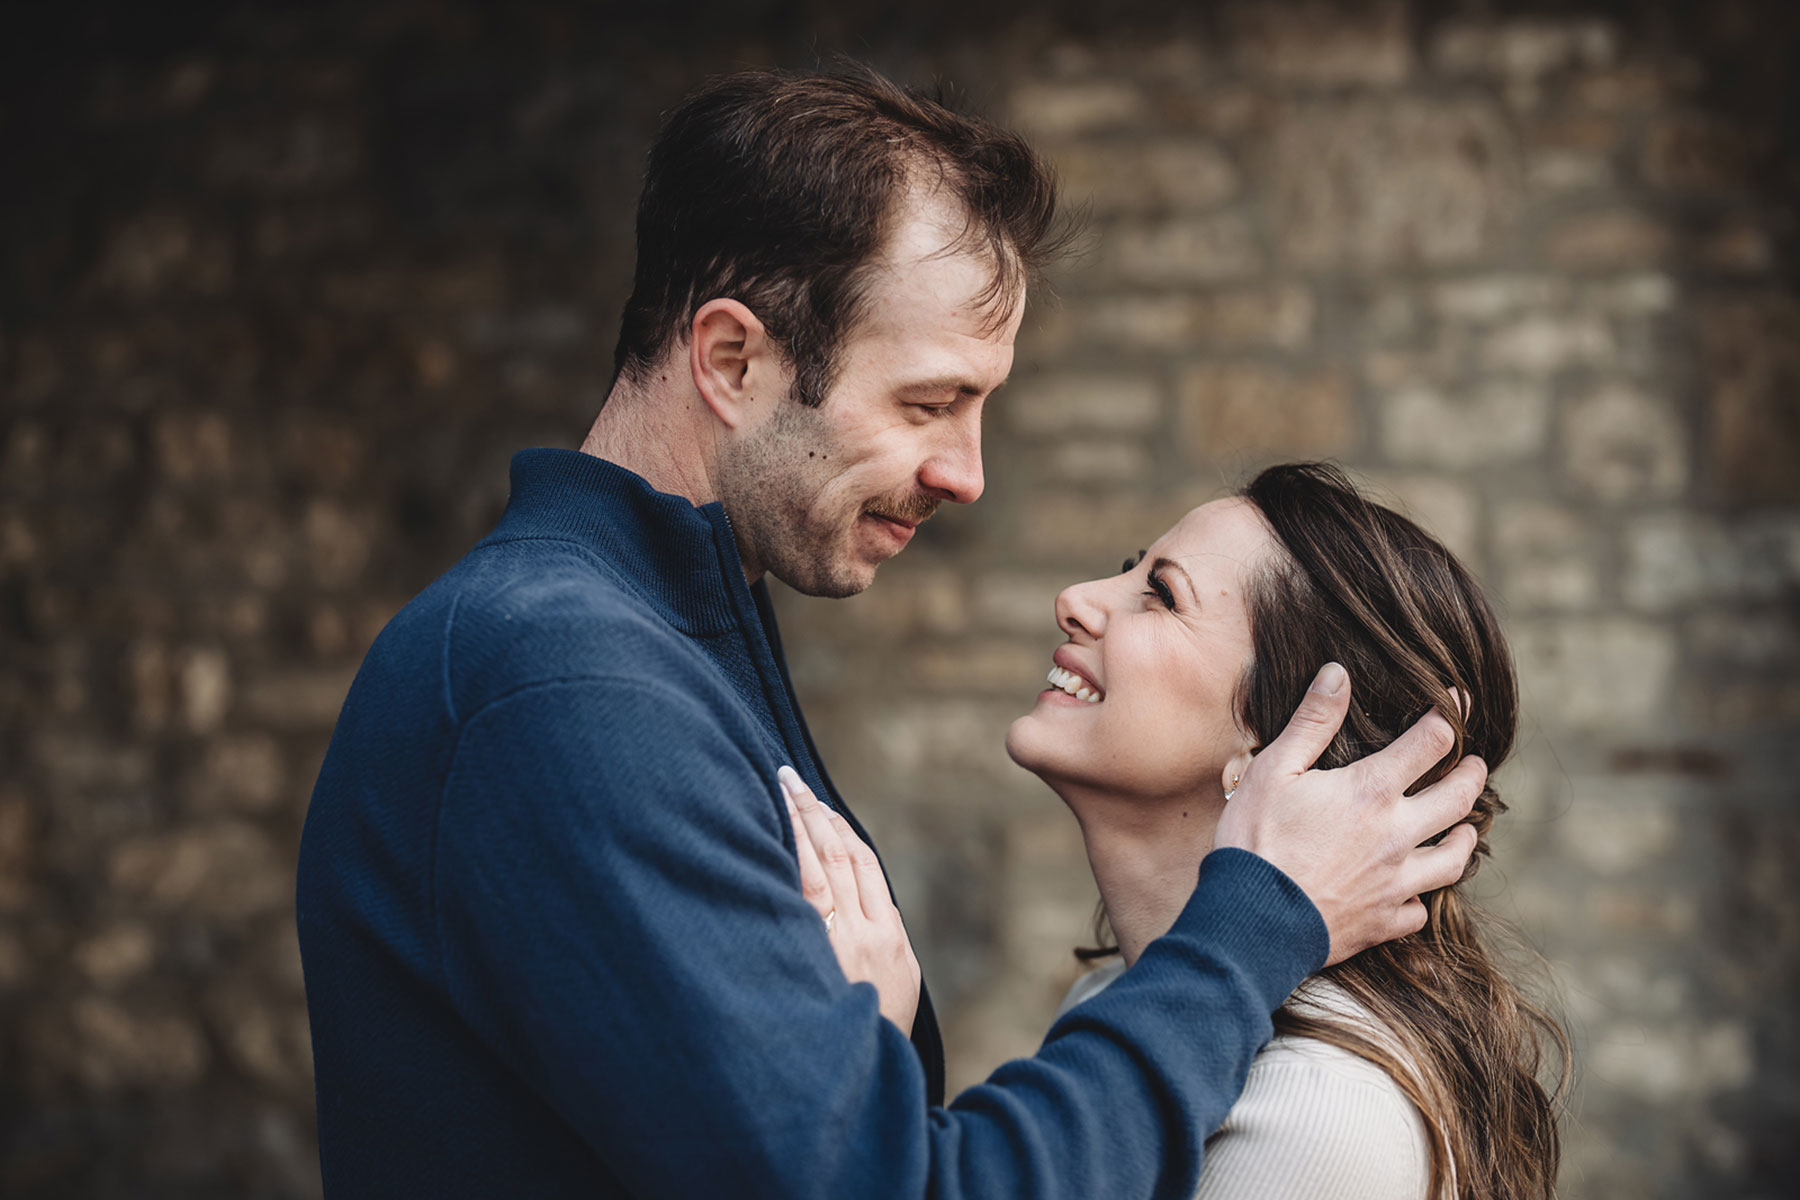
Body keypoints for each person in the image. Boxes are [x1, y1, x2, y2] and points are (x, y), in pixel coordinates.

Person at [294, 68, 1489, 1199]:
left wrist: (872, 1063)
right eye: (929, 402)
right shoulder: (560, 683)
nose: (965, 474)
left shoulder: (663, 651)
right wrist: (1246, 932)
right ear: (732, 359)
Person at [791, 462, 1564, 1199]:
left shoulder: (1318, 1109)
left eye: (1160, 595)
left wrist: (866, 1076)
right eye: (1132, 568)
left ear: (1279, 747)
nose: (1076, 597)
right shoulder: (1121, 994)